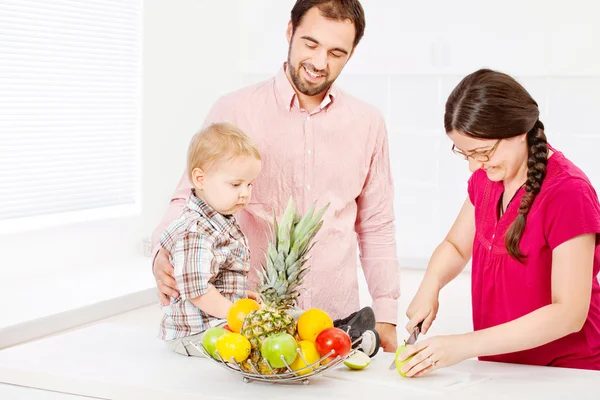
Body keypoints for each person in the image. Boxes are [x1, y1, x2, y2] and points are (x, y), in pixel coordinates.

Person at [152, 0, 401, 352]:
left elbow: (376, 223)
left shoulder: (368, 122)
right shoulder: (235, 109)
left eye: (336, 52)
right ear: (290, 31)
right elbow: (189, 195)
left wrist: (386, 314)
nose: (319, 63)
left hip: (332, 326)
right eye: (310, 44)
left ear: (353, 52)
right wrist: (162, 251)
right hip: (245, 324)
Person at [398, 68, 600, 376]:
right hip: (503, 369)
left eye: (482, 152)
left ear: (519, 130)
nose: (473, 166)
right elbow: (455, 245)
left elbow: (569, 313)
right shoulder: (487, 179)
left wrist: (464, 345)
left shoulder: (569, 192)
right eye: (465, 154)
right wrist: (431, 285)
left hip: (569, 371)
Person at [158, 122, 262, 356]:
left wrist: (239, 297)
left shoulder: (221, 219)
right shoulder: (195, 230)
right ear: (200, 179)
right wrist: (236, 312)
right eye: (236, 184)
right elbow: (197, 290)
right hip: (195, 334)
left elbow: (214, 277)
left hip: (214, 325)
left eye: (249, 184)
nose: (245, 193)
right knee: (258, 348)